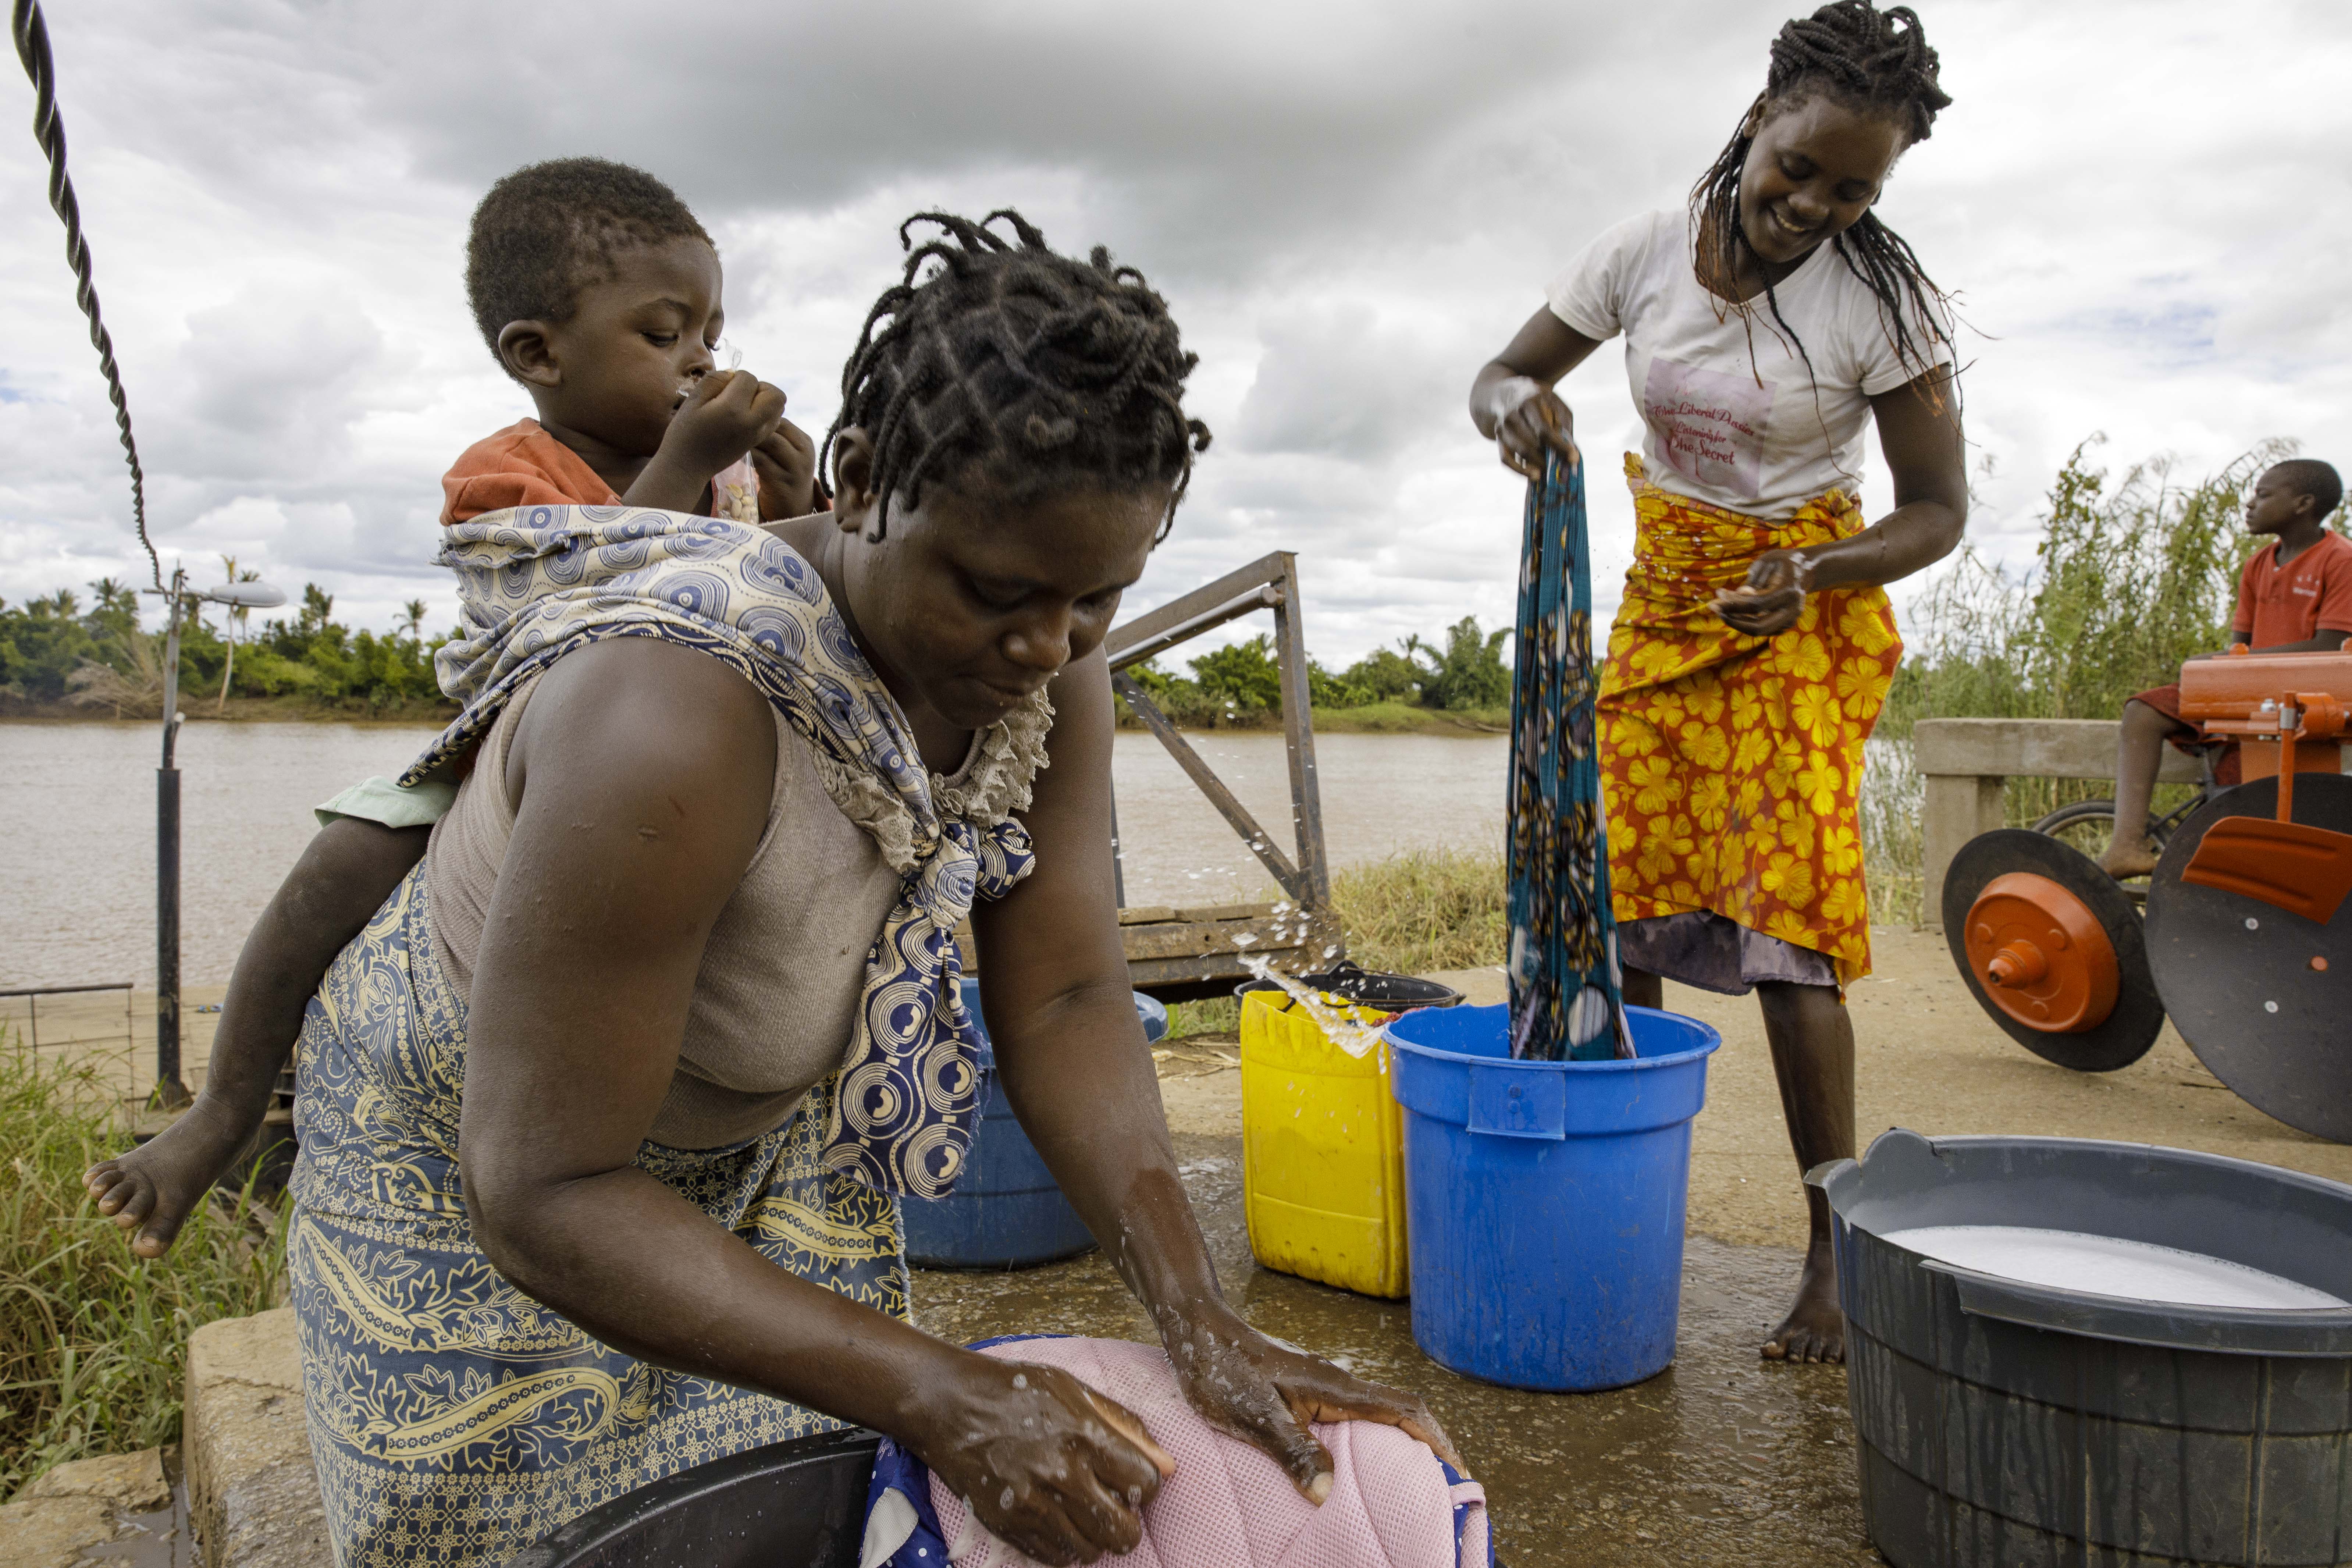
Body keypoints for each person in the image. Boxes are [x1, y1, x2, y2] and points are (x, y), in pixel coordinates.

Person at [104, 209, 1450, 1568]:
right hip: (473, 1145)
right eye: (994, 589)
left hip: (757, 1131)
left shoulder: (1043, 666)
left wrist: (1197, 1314)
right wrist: (943, 1386)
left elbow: (1065, 991)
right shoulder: (679, 711)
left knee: (796, 1499)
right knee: (512, 1529)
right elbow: (547, 1186)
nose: (1044, 644)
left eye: (1095, 599)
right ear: (859, 478)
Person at [87, 156, 826, 1253]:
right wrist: (688, 460)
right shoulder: (508, 470)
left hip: (678, 767)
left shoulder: (731, 486)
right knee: (342, 855)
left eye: (712, 333)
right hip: (504, 744)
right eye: (666, 334)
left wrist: (799, 498)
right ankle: (221, 1113)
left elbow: (768, 594)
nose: (702, 360)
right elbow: (597, 594)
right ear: (538, 353)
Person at [1467, 0, 1968, 1364]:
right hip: (1662, 597)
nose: (1811, 204)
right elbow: (1503, 370)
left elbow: (1935, 512)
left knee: (1790, 923)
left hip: (1802, 604)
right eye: (1797, 165)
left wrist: (1814, 577)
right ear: (1757, 120)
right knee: (1622, 911)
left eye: (1854, 188)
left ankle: (1830, 1246)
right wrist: (1520, 407)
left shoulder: (1880, 302)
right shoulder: (1640, 250)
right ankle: (1619, 1201)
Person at [2099, 458, 2352, 879]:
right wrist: (2222, 664)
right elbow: (2242, 647)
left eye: (2264, 494)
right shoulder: (2257, 565)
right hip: (2254, 692)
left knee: (2246, 794)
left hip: (2310, 696)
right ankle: (2125, 845)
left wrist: (2226, 664)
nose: (2250, 503)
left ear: (2303, 504)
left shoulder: (2339, 560)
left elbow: (2330, 646)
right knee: (2142, 712)